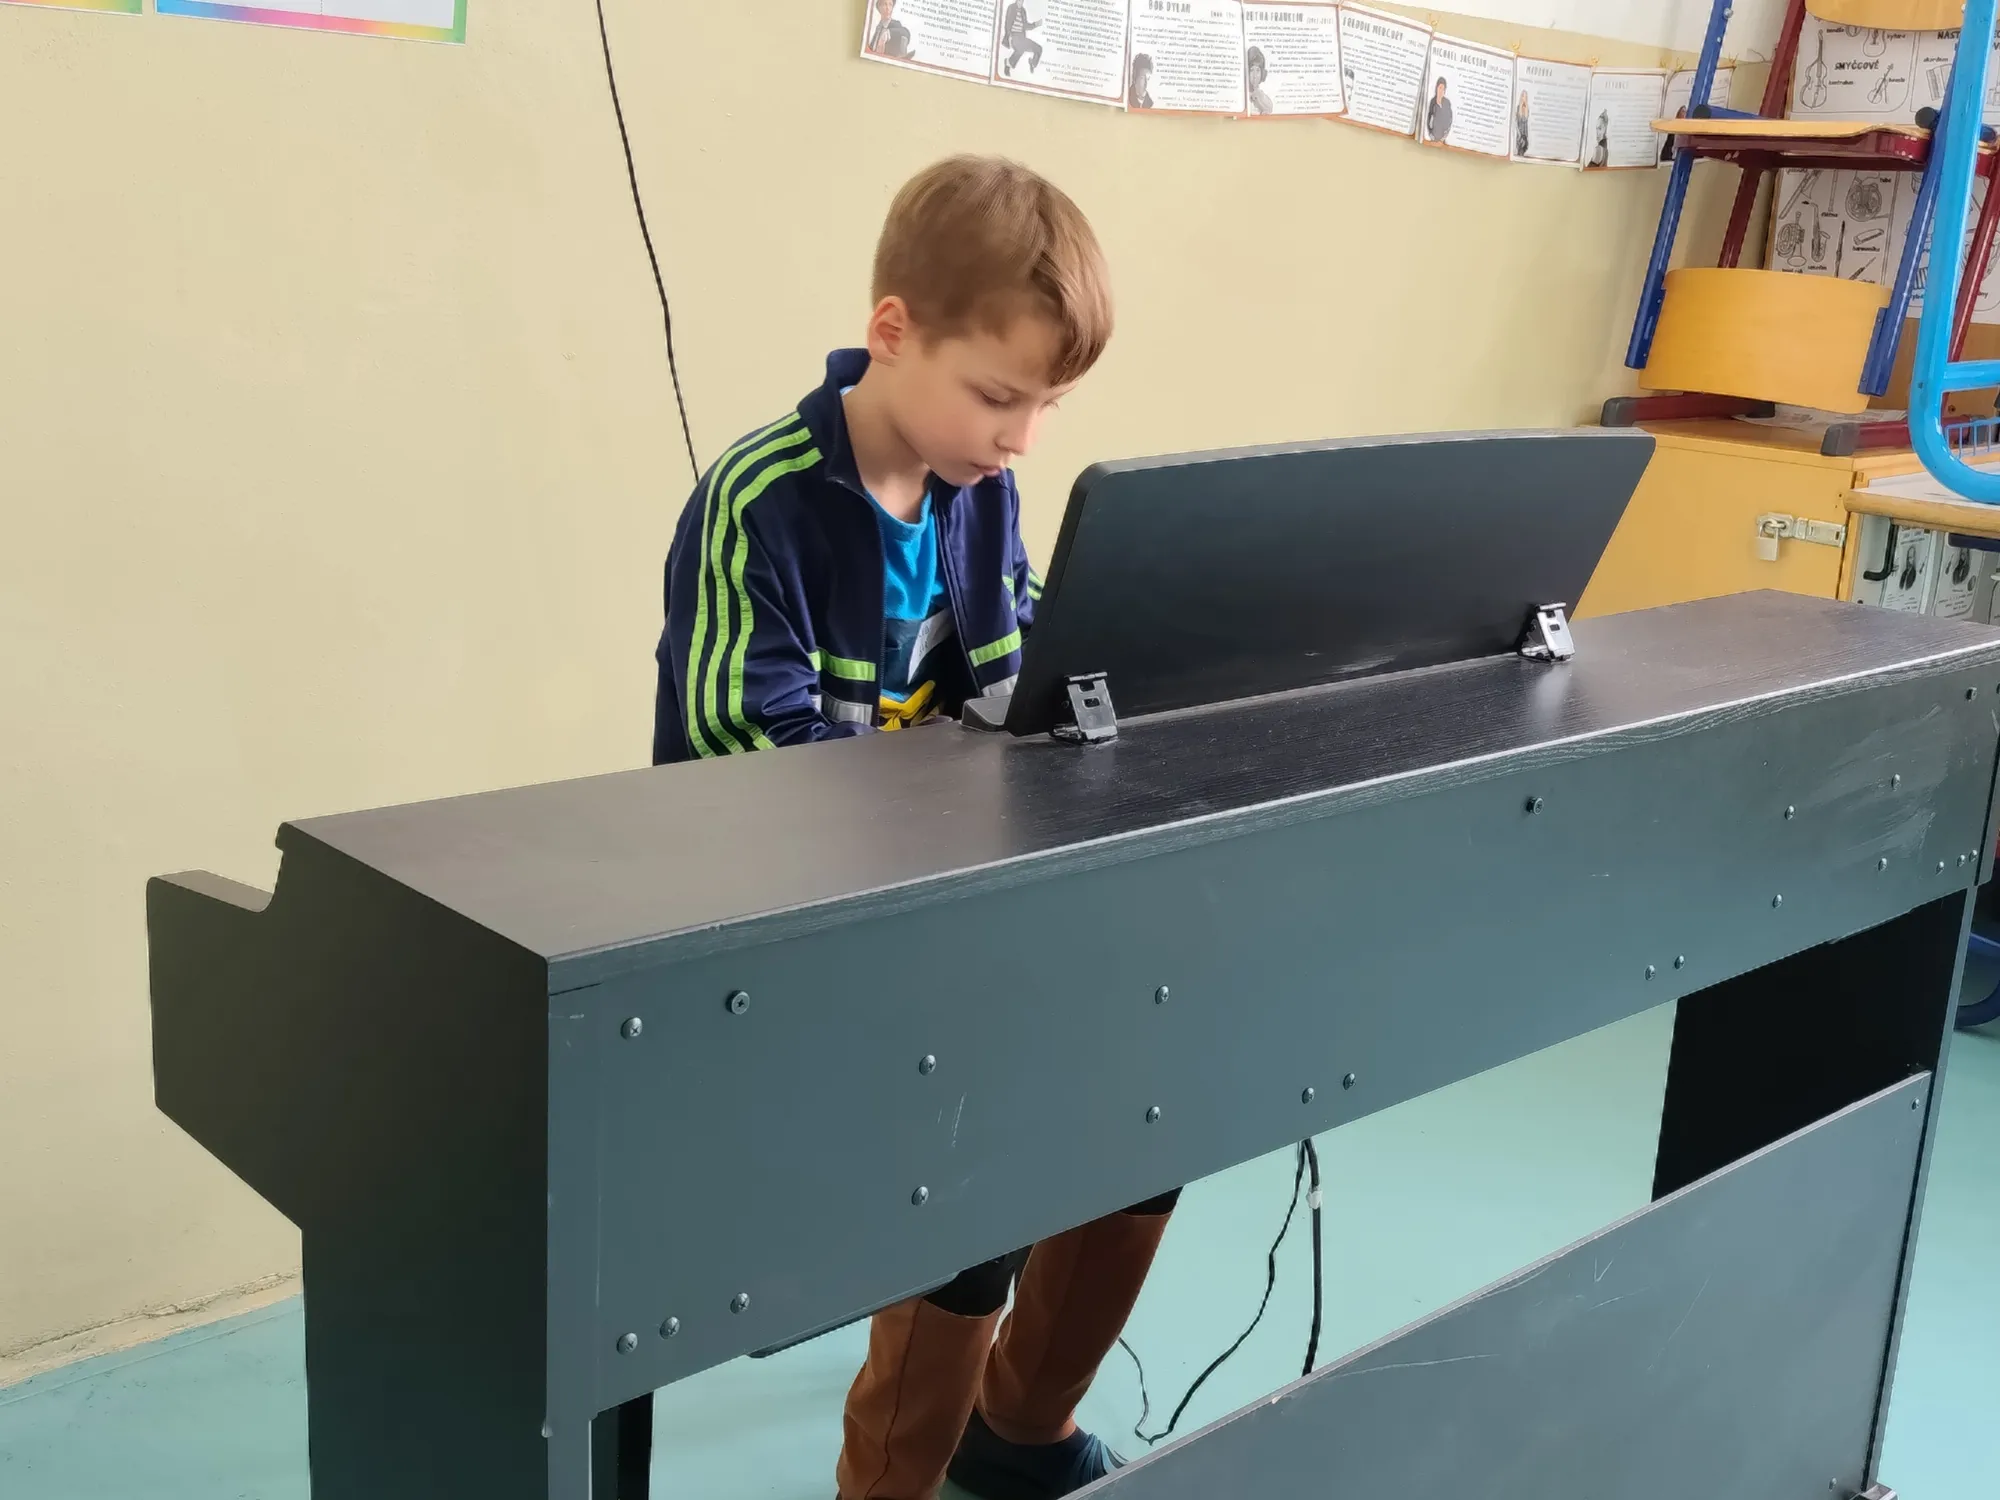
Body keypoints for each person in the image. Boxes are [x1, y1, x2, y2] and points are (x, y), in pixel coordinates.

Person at [652, 156, 1176, 1500]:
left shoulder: (978, 492)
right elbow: (737, 771)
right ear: (892, 332)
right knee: (975, 1157)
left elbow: (1028, 675)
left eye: (1047, 405)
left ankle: (1020, 1430)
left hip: (950, 913)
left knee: (1160, 1093)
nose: (1022, 439)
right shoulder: (759, 503)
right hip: (785, 943)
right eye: (999, 397)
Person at [1001, 1, 1043, 75]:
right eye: (1019, 1)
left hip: (1021, 38)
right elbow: (1007, 23)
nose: (1021, 3)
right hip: (1013, 36)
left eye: (1022, 1)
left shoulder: (1023, 11)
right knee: (1021, 47)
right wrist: (1009, 36)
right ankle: (1008, 63)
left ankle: (1033, 63)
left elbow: (1025, 26)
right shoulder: (1011, 8)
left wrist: (1035, 24)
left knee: (1038, 48)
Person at [1247, 46, 1273, 114]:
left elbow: (1269, 109)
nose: (1255, 75)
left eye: (1258, 70)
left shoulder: (1262, 96)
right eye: (1251, 70)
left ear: (1262, 73)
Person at [1426, 76, 1453, 143]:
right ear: (1436, 88)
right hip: (1433, 137)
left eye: (1443, 89)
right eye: (1440, 88)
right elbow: (1429, 120)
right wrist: (1431, 135)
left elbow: (1449, 121)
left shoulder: (1447, 103)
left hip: (1443, 139)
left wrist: (1443, 138)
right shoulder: (1432, 102)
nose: (1441, 91)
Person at [1514, 89, 1530, 157]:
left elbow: (1525, 121)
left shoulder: (1527, 109)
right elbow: (1516, 121)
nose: (1523, 97)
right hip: (1519, 133)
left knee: (1523, 150)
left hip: (1525, 134)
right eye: (1522, 95)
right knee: (1519, 149)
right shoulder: (1518, 107)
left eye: (1525, 96)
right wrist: (1518, 133)